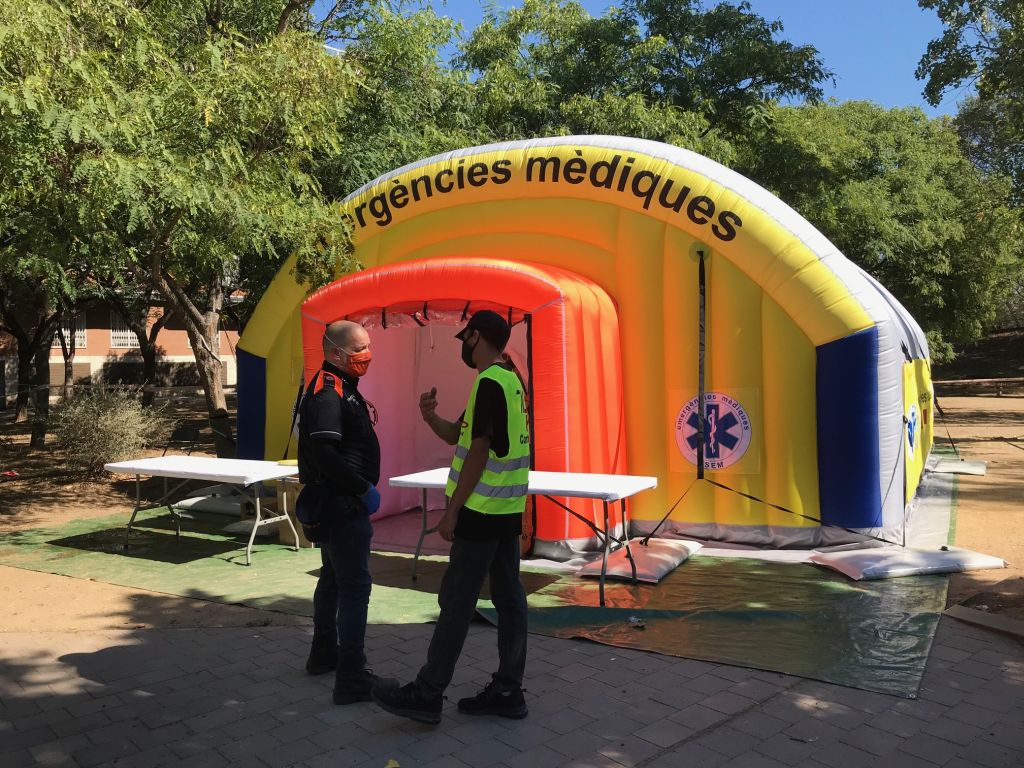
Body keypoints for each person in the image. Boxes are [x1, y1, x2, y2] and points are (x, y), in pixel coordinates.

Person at [372, 310, 531, 725]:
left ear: (477, 336)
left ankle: (427, 693)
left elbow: (478, 452)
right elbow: (462, 435)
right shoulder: (511, 382)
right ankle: (508, 690)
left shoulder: (489, 383)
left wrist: (452, 513)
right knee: (510, 600)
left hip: (480, 513)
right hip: (507, 511)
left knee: (456, 602)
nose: (463, 345)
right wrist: (429, 417)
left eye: (466, 338)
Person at [298, 320, 386, 704]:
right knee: (354, 588)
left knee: (334, 580)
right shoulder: (328, 393)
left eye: (367, 346)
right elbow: (324, 453)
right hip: (342, 507)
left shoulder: (340, 386)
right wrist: (362, 488)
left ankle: (323, 654)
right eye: (359, 349)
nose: (366, 354)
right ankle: (351, 675)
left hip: (341, 504)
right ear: (335, 353)